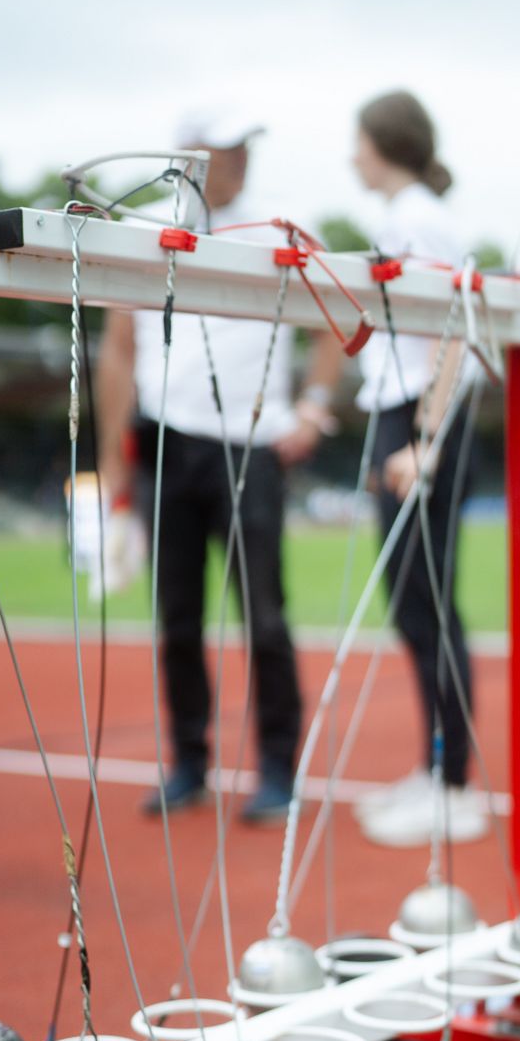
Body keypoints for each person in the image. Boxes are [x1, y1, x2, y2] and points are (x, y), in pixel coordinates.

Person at [95, 106, 343, 824]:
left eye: (244, 149)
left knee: (264, 617)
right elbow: (117, 346)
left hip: (252, 444)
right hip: (169, 443)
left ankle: (276, 769)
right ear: (191, 155)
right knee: (176, 618)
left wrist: (315, 406)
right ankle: (190, 764)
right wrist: (114, 456)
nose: (240, 163)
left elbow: (338, 312)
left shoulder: (279, 227)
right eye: (226, 150)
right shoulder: (140, 226)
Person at [350, 90, 486, 847]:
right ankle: (437, 769)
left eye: (358, 142)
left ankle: (455, 785)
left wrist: (425, 434)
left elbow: (456, 325)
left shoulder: (420, 220)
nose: (350, 155)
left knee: (428, 604)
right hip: (400, 415)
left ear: (384, 144)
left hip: (423, 420)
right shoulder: (402, 218)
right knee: (413, 606)